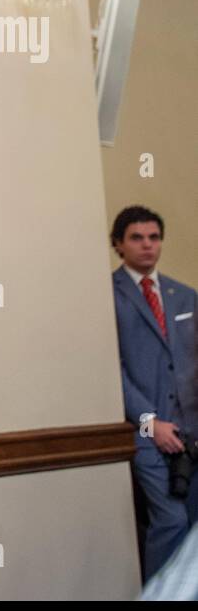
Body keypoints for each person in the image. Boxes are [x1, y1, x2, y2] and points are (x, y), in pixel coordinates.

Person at [111, 205, 198, 581]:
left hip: (191, 428)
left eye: (154, 237)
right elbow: (114, 372)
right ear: (118, 244)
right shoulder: (107, 296)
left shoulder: (185, 295)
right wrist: (151, 424)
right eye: (137, 238)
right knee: (172, 521)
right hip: (145, 431)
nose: (147, 246)